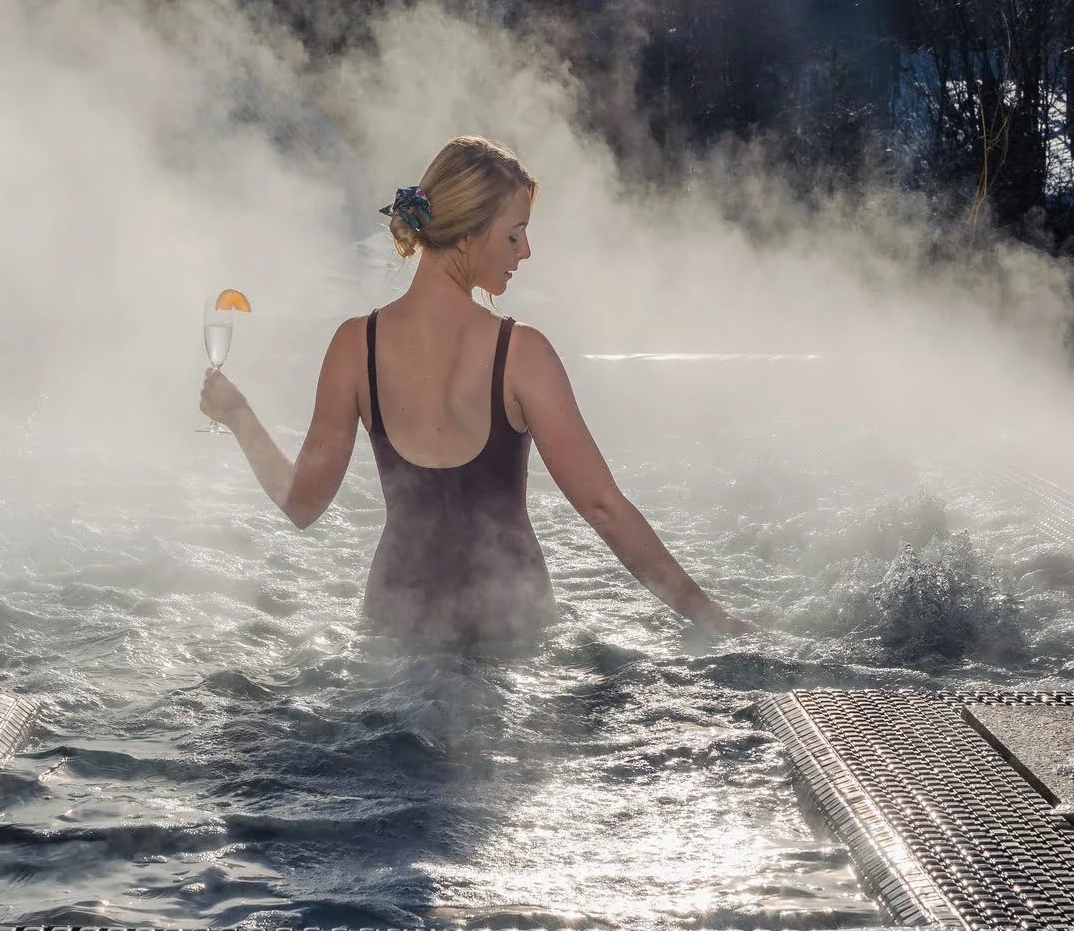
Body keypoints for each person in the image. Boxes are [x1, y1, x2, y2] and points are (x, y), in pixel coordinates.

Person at [200, 135, 761, 646]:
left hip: (396, 631)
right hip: (511, 631)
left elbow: (302, 504)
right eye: (514, 235)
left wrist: (239, 414)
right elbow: (603, 509)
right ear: (467, 235)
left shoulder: (355, 346)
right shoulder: (522, 354)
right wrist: (711, 618)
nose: (525, 252)